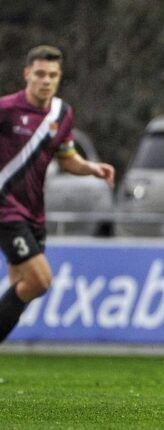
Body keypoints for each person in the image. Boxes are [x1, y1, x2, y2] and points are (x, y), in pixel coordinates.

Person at [0, 45, 115, 342]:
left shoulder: (62, 114)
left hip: (34, 212)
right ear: (27, 74)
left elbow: (66, 158)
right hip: (5, 209)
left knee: (18, 286)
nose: (46, 80)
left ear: (59, 76)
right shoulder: (7, 110)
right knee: (39, 281)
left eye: (52, 75)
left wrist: (91, 168)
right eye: (40, 74)